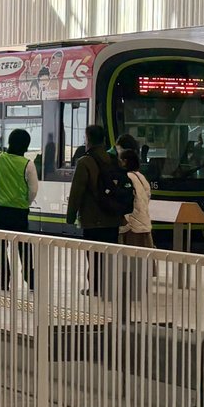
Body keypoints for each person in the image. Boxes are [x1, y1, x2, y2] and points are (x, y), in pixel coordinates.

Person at [66, 125, 134, 296]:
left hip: (92, 218)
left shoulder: (85, 162)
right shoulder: (114, 159)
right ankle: (110, 284)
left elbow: (77, 192)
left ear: (88, 139)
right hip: (113, 215)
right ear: (104, 140)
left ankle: (96, 287)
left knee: (94, 254)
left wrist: (70, 216)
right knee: (110, 252)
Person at [0, 128, 39, 291]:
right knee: (24, 245)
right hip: (19, 212)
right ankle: (30, 278)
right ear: (27, 147)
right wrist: (24, 203)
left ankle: (4, 276)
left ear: (9, 143)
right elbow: (33, 190)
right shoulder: (28, 164)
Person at [120, 149, 155, 249]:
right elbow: (147, 197)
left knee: (131, 260)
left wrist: (125, 220)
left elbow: (126, 200)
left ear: (125, 161)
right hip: (145, 223)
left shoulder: (127, 177)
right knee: (145, 259)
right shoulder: (141, 177)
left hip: (132, 226)